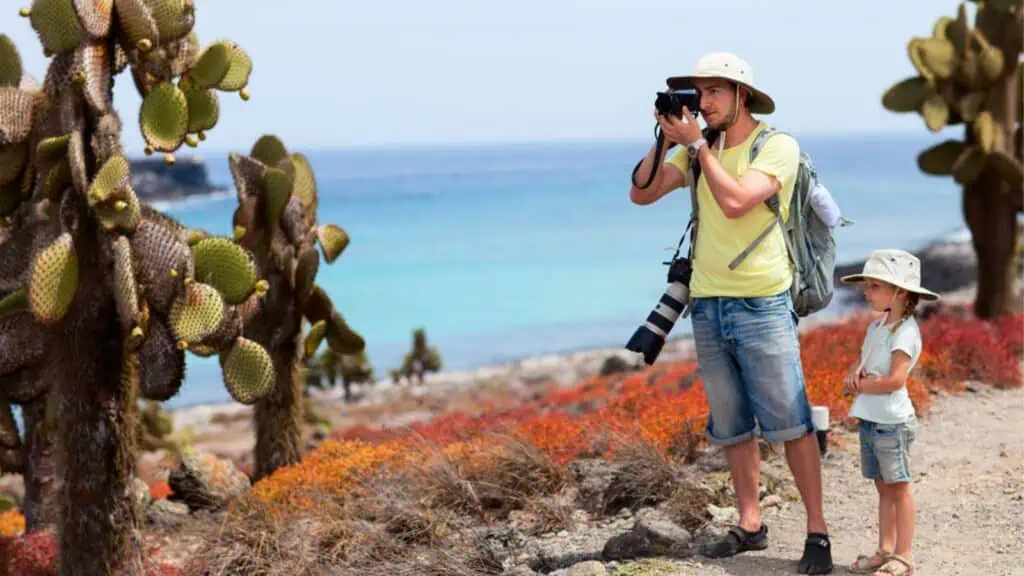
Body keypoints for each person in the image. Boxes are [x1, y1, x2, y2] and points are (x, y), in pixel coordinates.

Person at [628, 52, 833, 575]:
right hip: (708, 302)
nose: (705, 102)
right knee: (732, 425)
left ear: (742, 95)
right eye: (699, 92)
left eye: (715, 91)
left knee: (791, 422)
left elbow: (739, 201)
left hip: (763, 301)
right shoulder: (700, 149)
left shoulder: (776, 146)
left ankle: (818, 533)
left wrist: (696, 146)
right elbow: (641, 194)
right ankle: (749, 525)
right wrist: (666, 142)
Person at [840, 249, 938, 576]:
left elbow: (896, 381)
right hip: (873, 419)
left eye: (874, 286)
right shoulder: (876, 327)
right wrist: (855, 373)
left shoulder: (906, 332)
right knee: (883, 487)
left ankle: (905, 555)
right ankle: (885, 549)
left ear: (900, 293)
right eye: (867, 286)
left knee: (899, 487)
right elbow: (865, 362)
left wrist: (860, 387)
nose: (867, 292)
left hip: (893, 423)